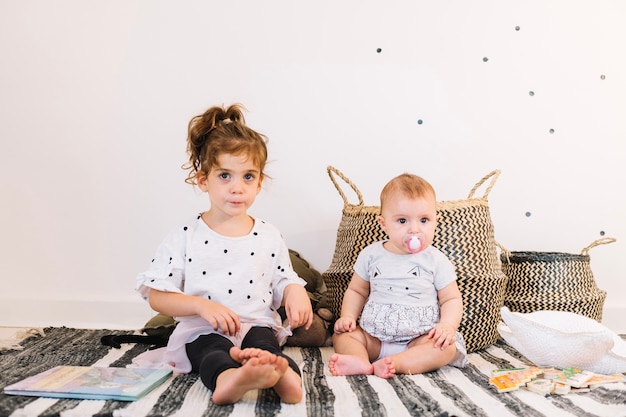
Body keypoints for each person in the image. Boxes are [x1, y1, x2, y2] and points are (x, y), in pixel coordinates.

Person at [135, 104, 313, 405]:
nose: (237, 188)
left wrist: (295, 292)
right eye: (225, 176)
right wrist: (200, 307)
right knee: (211, 351)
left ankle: (286, 379)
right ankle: (228, 379)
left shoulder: (269, 234)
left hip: (256, 324)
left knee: (267, 350)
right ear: (203, 180)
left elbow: (284, 276)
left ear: (259, 182)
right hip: (203, 329)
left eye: (247, 177)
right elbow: (156, 294)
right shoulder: (185, 236)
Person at [329, 173, 467, 378]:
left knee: (445, 348)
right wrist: (347, 316)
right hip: (373, 337)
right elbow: (356, 290)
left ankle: (397, 363)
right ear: (383, 223)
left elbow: (452, 299)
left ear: (435, 222)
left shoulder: (436, 260)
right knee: (342, 336)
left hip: (419, 339)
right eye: (402, 220)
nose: (414, 229)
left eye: (424, 220)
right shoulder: (371, 255)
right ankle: (360, 360)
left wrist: (447, 326)